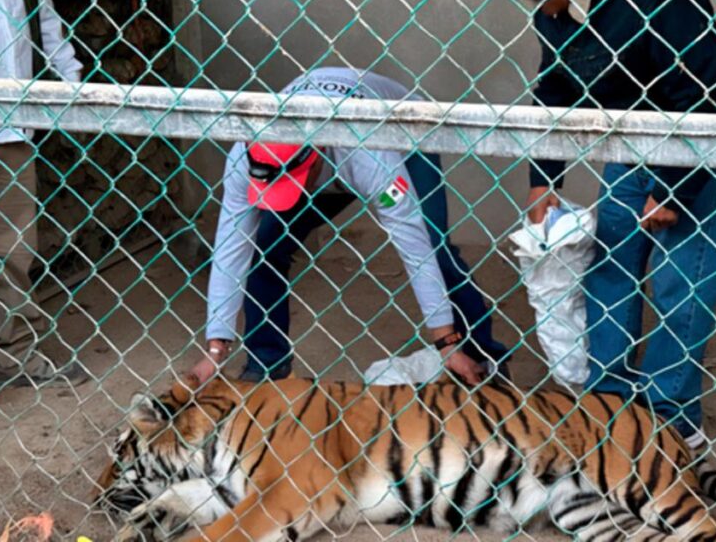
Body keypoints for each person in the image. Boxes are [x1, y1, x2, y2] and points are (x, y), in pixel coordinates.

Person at [502, 0, 716, 451]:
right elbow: (553, 94)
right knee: (608, 269)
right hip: (633, 143)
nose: (531, 0)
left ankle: (671, 417)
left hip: (707, 146)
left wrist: (674, 188)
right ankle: (610, 404)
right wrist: (543, 181)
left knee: (679, 284)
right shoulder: (553, 7)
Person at [191, 67, 509, 384]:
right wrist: (215, 349)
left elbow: (416, 248)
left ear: (314, 159)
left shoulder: (371, 157)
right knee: (265, 249)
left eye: (289, 188)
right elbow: (231, 250)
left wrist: (445, 342)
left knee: (434, 245)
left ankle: (480, 357)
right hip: (327, 154)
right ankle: (266, 368)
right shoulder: (245, 158)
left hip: (404, 137)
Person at [0, 0, 87, 389]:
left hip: (13, 122)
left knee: (10, 250)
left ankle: (12, 357)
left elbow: (46, 23)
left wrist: (71, 86)